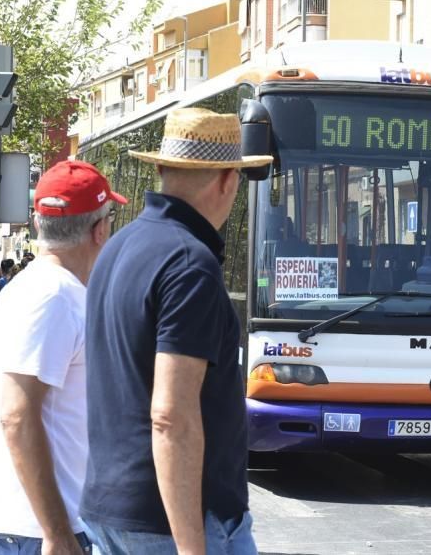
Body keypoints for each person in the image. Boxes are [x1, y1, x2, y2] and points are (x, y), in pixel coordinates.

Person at [81, 107, 272, 554]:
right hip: (174, 524)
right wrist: (191, 546)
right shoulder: (190, 264)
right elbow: (171, 417)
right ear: (227, 181)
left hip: (110, 510)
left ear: (163, 168)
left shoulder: (118, 247)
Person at [0, 160, 126, 554]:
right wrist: (57, 532)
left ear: (39, 225)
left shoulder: (40, 290)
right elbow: (17, 415)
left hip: (34, 527)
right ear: (100, 229)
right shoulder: (53, 298)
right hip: (34, 532)